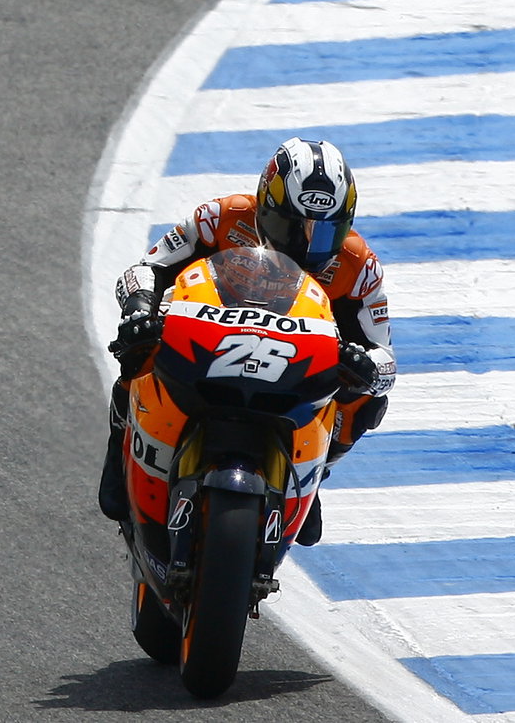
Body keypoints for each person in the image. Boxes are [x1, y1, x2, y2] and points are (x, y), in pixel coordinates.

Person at [97, 137, 394, 546]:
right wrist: (140, 307)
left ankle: (316, 473)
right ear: (265, 206)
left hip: (298, 359)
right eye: (294, 227)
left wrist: (367, 368)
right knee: (138, 347)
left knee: (367, 401)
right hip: (209, 337)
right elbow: (146, 268)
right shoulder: (220, 217)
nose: (308, 245)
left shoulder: (359, 266)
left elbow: (385, 357)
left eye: (326, 232)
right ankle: (121, 447)